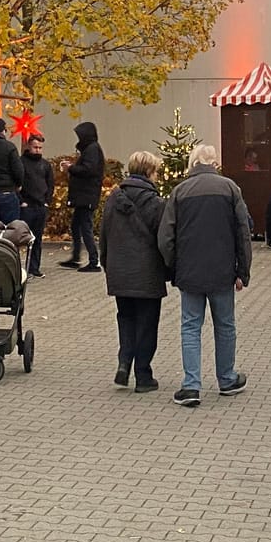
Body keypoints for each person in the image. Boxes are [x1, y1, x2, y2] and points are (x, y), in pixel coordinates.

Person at [157, 144, 253, 407]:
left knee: (190, 327)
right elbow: (242, 232)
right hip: (223, 271)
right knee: (225, 325)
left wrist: (173, 267)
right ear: (214, 163)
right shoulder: (230, 188)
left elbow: (166, 237)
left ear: (193, 162)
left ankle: (191, 386)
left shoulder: (179, 192)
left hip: (190, 271)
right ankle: (227, 379)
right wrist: (242, 270)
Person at [101, 151, 169, 392]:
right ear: (150, 172)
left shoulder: (113, 198)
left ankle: (123, 362)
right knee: (147, 324)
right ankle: (143, 374)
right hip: (148, 273)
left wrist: (107, 264)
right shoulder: (156, 203)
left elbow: (104, 235)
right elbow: (164, 240)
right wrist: (169, 269)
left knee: (126, 318)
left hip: (120, 271)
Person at [61, 121, 105, 272]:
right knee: (76, 226)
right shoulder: (91, 149)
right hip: (85, 196)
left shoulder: (92, 149)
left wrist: (71, 168)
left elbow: (88, 170)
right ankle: (76, 257)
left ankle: (94, 260)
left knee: (85, 227)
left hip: (87, 196)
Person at [17, 133, 53, 278]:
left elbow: (50, 184)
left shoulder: (45, 164)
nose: (38, 150)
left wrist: (47, 201)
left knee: (37, 238)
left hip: (40, 205)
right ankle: (19, 269)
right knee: (20, 238)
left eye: (40, 147)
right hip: (27, 205)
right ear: (28, 147)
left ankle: (34, 268)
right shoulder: (21, 162)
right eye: (35, 147)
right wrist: (21, 201)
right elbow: (16, 183)